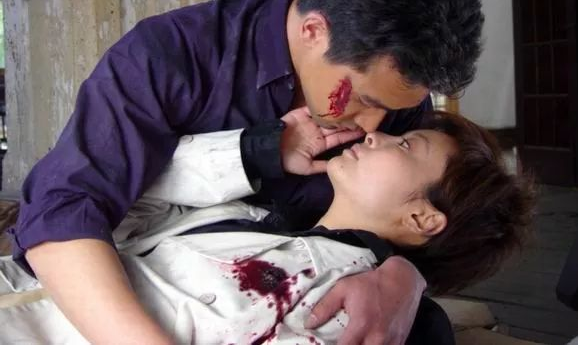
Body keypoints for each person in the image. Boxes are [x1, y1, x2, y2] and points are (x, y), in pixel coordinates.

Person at [9, 0, 484, 344]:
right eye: (363, 99)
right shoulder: (172, 55)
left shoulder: (394, 98)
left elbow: (427, 222)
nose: (376, 127)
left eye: (394, 112)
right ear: (314, 31)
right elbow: (64, 210)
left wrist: (405, 277)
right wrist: (255, 151)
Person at [0, 112, 534, 344]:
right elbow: (119, 192)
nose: (374, 136)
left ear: (422, 218)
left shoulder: (346, 302)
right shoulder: (256, 220)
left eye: (406, 145)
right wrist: (256, 152)